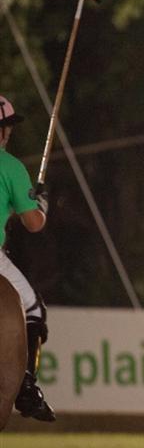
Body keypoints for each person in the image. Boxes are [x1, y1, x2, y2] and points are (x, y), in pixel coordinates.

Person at [0, 96, 53, 421]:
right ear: (3, 130)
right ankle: (26, 388)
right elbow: (33, 223)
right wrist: (41, 203)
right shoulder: (10, 166)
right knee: (32, 307)